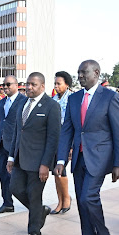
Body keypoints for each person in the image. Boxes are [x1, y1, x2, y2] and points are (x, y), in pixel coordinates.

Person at [54, 59, 119, 235]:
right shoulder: (75, 98)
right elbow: (67, 129)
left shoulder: (110, 97)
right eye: (78, 73)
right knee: (81, 201)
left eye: (84, 73)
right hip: (78, 158)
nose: (80, 77)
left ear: (96, 73)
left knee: (89, 197)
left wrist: (118, 163)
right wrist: (61, 159)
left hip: (100, 157)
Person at [7, 72, 61, 235]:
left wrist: (46, 164)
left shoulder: (51, 106)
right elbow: (17, 132)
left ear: (42, 86)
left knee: (34, 195)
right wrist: (11, 156)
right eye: (27, 84)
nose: (29, 87)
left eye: (33, 85)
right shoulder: (22, 103)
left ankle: (35, 232)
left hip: (39, 162)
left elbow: (53, 138)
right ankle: (40, 212)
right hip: (20, 159)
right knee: (14, 188)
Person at [0, 75, 26, 214]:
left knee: (18, 176)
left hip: (17, 145)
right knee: (3, 175)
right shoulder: (1, 102)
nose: (5, 87)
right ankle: (7, 203)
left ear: (16, 85)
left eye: (8, 84)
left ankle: (32, 203)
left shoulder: (24, 101)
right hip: (2, 144)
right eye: (4, 85)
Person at [49, 71, 74, 215]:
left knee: (61, 169)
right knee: (55, 171)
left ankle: (66, 199)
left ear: (67, 85)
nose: (56, 86)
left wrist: (71, 146)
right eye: (55, 84)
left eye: (59, 84)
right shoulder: (53, 99)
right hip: (54, 140)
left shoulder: (72, 99)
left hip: (66, 141)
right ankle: (60, 200)